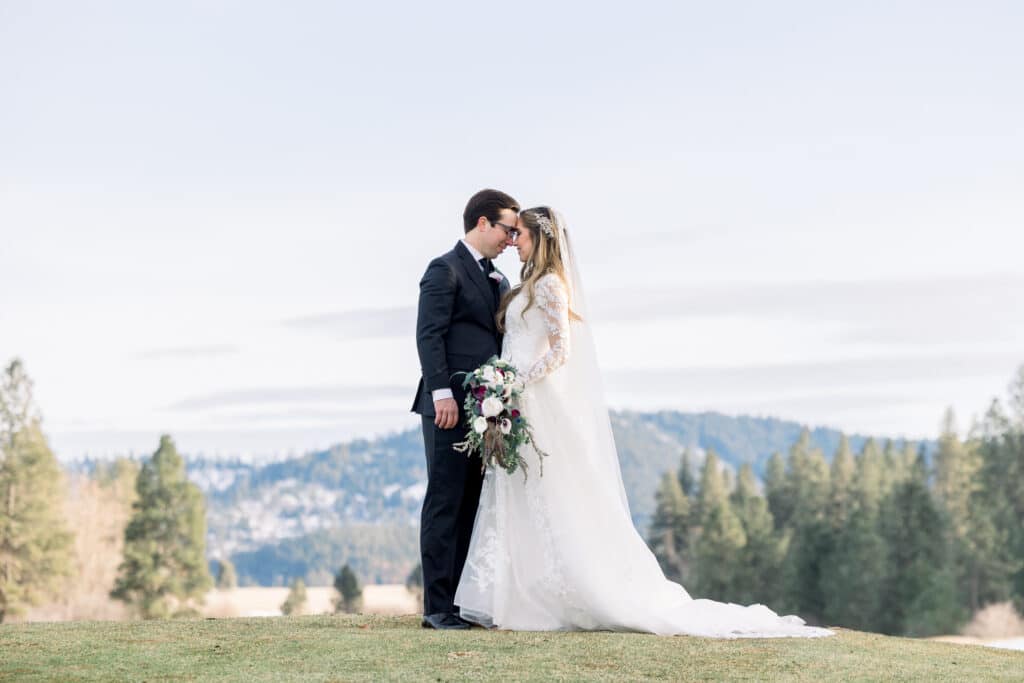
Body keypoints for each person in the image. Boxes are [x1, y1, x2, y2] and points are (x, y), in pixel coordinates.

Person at [454, 207, 834, 638]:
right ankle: (516, 594)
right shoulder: (524, 284)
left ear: (540, 238)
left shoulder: (550, 285)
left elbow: (561, 351)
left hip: (532, 400)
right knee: (521, 493)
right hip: (517, 403)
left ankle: (565, 591)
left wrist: (515, 383)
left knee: (548, 493)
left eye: (519, 233)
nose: (514, 240)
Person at [411, 188, 519, 629]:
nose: (512, 240)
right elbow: (428, 334)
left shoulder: (499, 280)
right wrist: (442, 395)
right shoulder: (444, 269)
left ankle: (461, 603)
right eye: (507, 230)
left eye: (516, 232)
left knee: (473, 503)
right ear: (482, 223)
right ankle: (437, 607)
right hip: (448, 406)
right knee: (445, 500)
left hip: (485, 410)